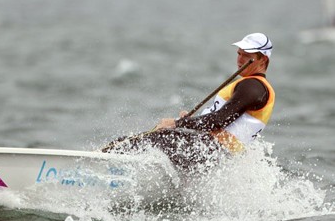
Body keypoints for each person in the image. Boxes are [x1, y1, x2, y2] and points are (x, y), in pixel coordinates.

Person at [104, 33, 275, 171]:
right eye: (239, 54)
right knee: (152, 140)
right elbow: (221, 120)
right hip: (215, 154)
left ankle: (101, 163)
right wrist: (190, 122)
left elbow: (219, 121)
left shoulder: (253, 86)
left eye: (246, 56)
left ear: (262, 60)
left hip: (211, 151)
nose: (239, 60)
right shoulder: (253, 86)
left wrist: (178, 122)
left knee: (148, 139)